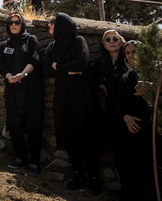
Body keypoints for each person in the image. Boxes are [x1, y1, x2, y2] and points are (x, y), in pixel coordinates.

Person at [45, 12, 101, 194]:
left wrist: (59, 67)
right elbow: (47, 69)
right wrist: (68, 70)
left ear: (63, 24)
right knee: (69, 135)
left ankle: (93, 177)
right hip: (63, 96)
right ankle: (79, 174)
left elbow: (82, 63)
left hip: (81, 95)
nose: (49, 25)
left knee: (86, 135)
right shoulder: (52, 47)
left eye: (52, 22)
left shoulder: (78, 41)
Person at [115, 40, 162, 200]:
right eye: (128, 53)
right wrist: (126, 118)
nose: (131, 55)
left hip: (156, 127)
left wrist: (153, 87)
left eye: (135, 51)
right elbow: (119, 104)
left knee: (160, 169)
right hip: (135, 129)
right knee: (137, 169)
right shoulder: (126, 77)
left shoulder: (158, 72)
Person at [0, 13, 44, 174]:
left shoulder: (31, 40)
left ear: (22, 23)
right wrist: (9, 76)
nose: (14, 24)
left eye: (17, 22)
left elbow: (35, 58)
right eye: (11, 23)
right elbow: (1, 65)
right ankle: (20, 158)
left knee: (33, 126)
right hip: (12, 88)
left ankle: (34, 162)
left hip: (30, 88)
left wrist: (22, 74)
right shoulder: (5, 44)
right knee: (15, 124)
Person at [94, 30, 126, 153]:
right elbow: (91, 79)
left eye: (115, 39)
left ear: (121, 42)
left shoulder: (128, 59)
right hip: (111, 107)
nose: (111, 42)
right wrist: (101, 85)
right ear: (104, 44)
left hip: (129, 104)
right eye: (108, 40)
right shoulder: (100, 63)